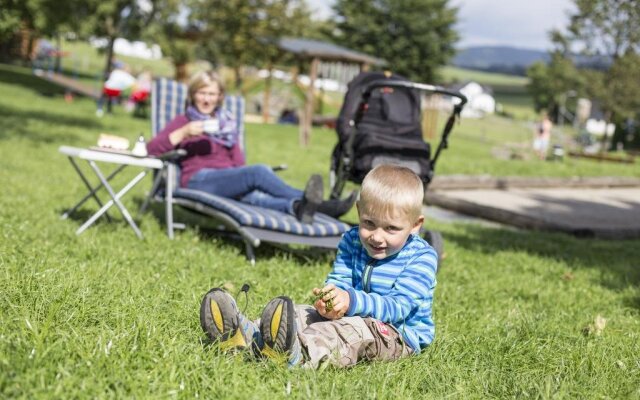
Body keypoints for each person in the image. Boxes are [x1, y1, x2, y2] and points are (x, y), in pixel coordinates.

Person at [199, 164, 438, 368]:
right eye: (369, 223)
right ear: (359, 211)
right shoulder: (352, 239)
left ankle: (297, 354)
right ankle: (248, 334)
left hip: (395, 334)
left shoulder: (422, 258)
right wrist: (330, 301)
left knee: (347, 331)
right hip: (353, 311)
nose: (377, 236)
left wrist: (351, 301)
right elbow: (339, 280)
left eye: (391, 229)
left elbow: (399, 306)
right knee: (301, 313)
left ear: (415, 225)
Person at [146, 70, 355, 223]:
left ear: (220, 97)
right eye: (202, 93)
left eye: (212, 94)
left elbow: (238, 164)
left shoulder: (227, 125)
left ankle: (299, 207)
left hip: (226, 179)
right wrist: (184, 133)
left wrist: (234, 141)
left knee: (255, 198)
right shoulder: (184, 121)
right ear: (192, 95)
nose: (207, 99)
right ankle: (325, 206)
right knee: (258, 172)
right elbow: (151, 150)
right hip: (197, 181)